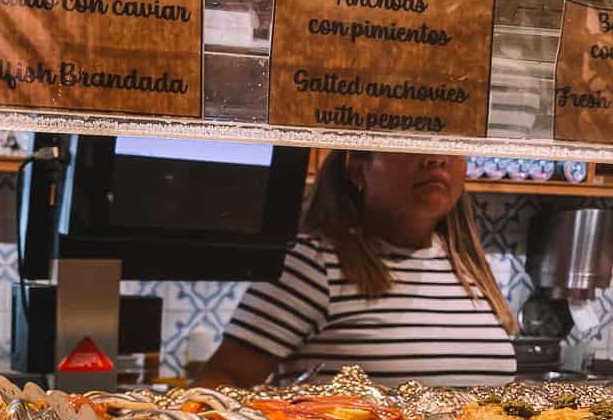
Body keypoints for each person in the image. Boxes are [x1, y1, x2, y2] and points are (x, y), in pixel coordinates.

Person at [194, 150, 517, 388]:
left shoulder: (470, 267)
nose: (436, 159)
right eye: (411, 144)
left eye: (451, 144)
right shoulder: (312, 263)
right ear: (358, 169)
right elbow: (222, 381)